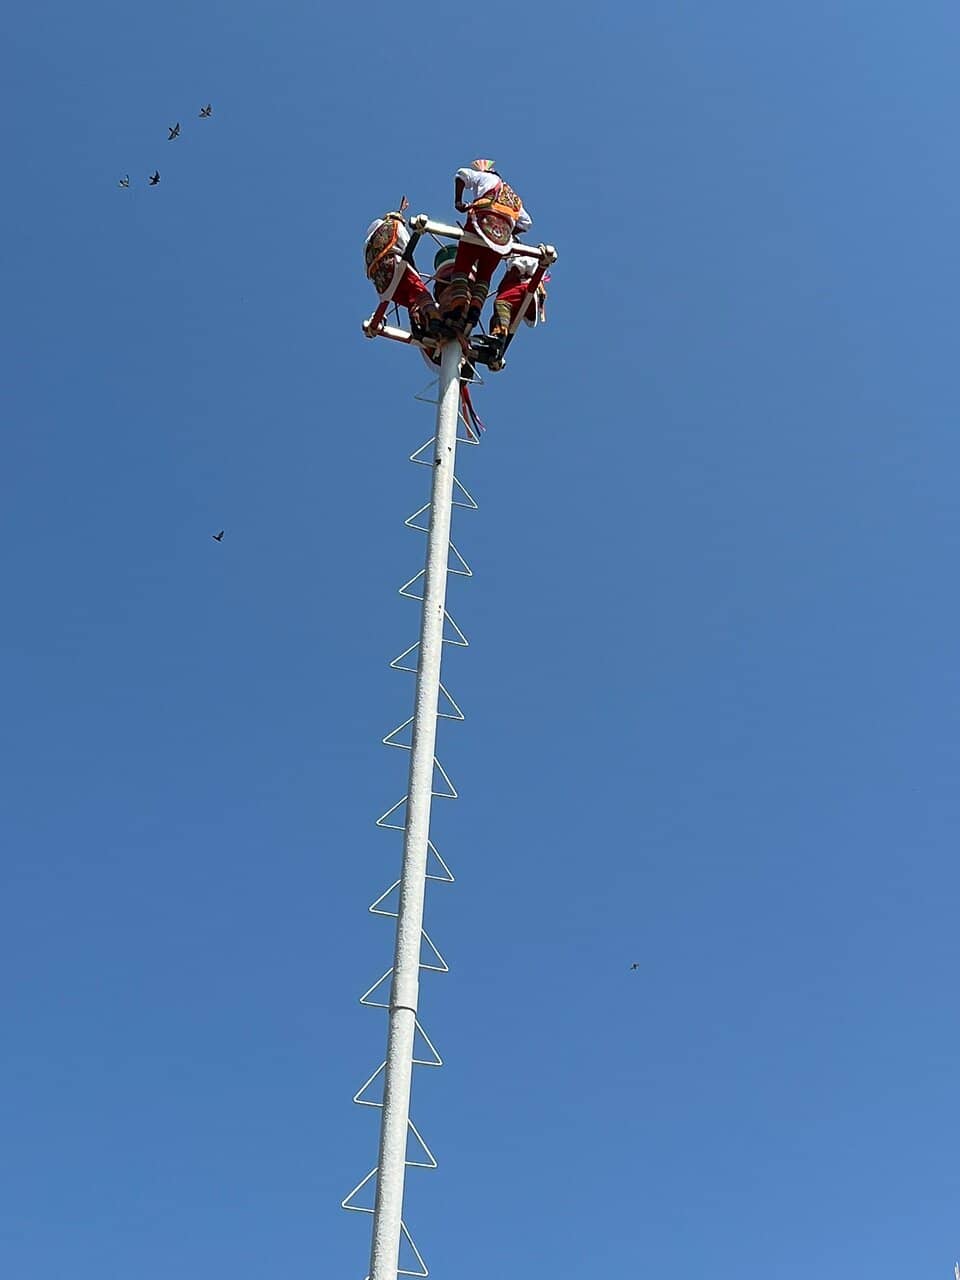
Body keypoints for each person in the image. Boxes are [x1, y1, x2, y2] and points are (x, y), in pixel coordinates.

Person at [442, 160, 532, 331]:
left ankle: (458, 305)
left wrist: (458, 202)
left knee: (462, 266)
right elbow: (527, 223)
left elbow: (461, 174)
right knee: (484, 276)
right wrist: (507, 233)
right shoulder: (514, 198)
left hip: (480, 223)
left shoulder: (484, 177)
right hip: (501, 238)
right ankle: (475, 309)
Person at [364, 210, 442, 339]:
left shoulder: (367, 243)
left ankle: (418, 325)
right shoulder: (395, 225)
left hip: (382, 285)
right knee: (421, 293)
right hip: (395, 265)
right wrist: (414, 270)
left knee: (412, 301)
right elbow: (406, 247)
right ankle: (434, 319)